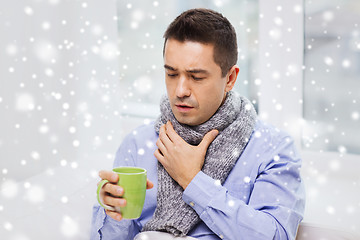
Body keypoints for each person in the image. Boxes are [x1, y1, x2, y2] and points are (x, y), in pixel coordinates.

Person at [91, 8, 305, 240]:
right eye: (172, 74)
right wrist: (111, 210)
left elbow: (275, 236)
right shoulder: (138, 143)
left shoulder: (271, 148)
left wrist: (193, 180)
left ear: (230, 78)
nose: (180, 91)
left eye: (196, 77)